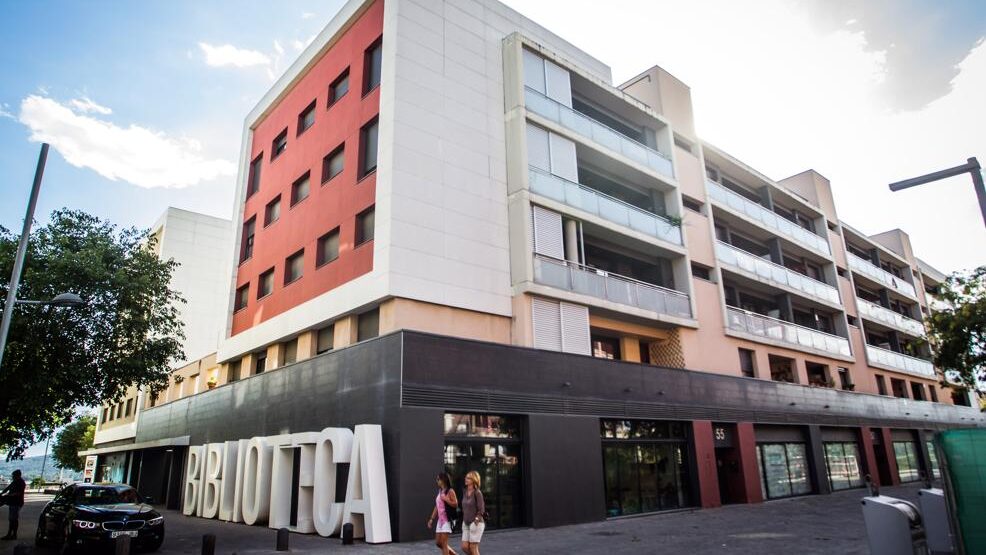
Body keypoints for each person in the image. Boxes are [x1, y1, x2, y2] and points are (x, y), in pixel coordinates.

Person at [427, 472, 458, 555]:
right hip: (440, 521)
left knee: (444, 543)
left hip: (447, 519)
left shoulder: (450, 491)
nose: (436, 481)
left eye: (438, 479)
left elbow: (455, 504)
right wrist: (431, 519)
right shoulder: (440, 491)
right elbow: (437, 506)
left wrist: (446, 499)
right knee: (438, 542)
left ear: (443, 480)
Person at [460, 471, 486, 555]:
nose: (465, 479)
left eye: (468, 478)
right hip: (466, 523)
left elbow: (481, 509)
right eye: (466, 477)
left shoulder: (477, 493)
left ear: (473, 480)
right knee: (464, 547)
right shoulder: (464, 492)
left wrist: (476, 521)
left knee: (473, 547)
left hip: (476, 524)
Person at [0, 470, 26, 540]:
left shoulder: (21, 482)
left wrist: (7, 495)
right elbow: (8, 488)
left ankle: (13, 535)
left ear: (18, 475)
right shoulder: (15, 481)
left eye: (13, 476)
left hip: (17, 503)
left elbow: (18, 493)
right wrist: (2, 493)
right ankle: (11, 534)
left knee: (13, 519)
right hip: (12, 502)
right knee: (12, 519)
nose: (12, 477)